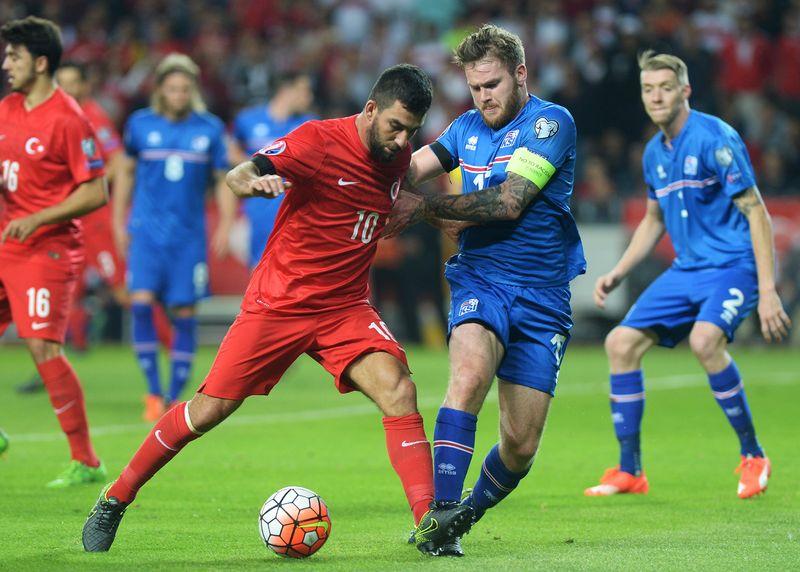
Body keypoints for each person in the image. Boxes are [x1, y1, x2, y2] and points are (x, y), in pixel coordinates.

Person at [82, 63, 446, 553]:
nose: (402, 141)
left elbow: (396, 188)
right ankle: (115, 497)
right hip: (280, 304)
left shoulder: (397, 158)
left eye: (411, 131)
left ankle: (429, 526)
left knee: (400, 391)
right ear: (370, 109)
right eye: (395, 127)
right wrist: (253, 183)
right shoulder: (317, 141)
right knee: (208, 410)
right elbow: (241, 172)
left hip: (344, 308)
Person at [385, 24, 585, 556]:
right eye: (475, 87)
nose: (484, 97)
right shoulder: (464, 127)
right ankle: (440, 519)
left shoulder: (550, 123)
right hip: (481, 278)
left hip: (544, 298)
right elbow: (407, 170)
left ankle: (463, 514)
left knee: (520, 447)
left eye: (492, 84)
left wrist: (426, 208)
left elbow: (509, 202)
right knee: (469, 376)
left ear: (520, 74)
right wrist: (351, 168)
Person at [583, 51, 791, 499]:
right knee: (620, 343)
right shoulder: (654, 153)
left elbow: (758, 213)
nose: (656, 96)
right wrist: (619, 271)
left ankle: (754, 456)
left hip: (733, 267)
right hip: (687, 270)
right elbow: (654, 219)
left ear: (685, 91)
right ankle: (629, 470)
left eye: (665, 87)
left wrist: (768, 289)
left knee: (703, 340)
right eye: (648, 89)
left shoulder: (716, 138)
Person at [0, 16, 108, 487]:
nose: (6, 64)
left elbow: (96, 191)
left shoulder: (68, 118)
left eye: (14, 56)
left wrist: (38, 217)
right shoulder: (7, 109)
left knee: (42, 345)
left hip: (47, 250)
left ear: (41, 62)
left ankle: (86, 461)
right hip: (6, 243)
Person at [113, 53, 235, 422]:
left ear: (193, 90)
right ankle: (152, 390)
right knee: (141, 303)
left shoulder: (210, 129)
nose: (179, 95)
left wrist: (227, 223)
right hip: (146, 234)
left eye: (185, 89)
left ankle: (172, 395)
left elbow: (223, 179)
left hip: (188, 238)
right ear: (161, 91)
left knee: (184, 312)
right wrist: (118, 220)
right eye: (172, 89)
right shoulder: (139, 125)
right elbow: (125, 173)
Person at [230, 72, 315, 268]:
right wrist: (259, 169)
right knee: (259, 271)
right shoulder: (248, 120)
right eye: (305, 91)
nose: (309, 97)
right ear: (287, 91)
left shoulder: (309, 124)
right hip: (259, 210)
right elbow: (231, 150)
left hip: (296, 212)